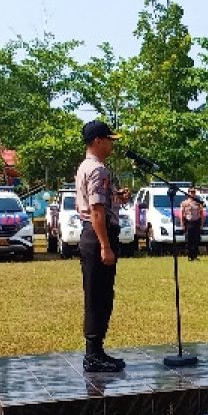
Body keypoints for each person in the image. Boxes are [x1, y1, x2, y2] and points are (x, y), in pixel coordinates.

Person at [75, 120, 126, 373]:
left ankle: (97, 351)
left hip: (93, 235)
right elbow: (96, 210)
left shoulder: (87, 166)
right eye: (109, 139)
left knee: (101, 294)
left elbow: (99, 202)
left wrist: (116, 197)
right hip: (98, 236)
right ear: (98, 141)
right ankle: (93, 354)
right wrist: (105, 246)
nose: (111, 144)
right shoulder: (97, 170)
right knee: (98, 296)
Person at [181, 186, 206, 261]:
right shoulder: (184, 203)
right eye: (191, 192)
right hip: (188, 222)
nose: (192, 193)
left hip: (196, 222)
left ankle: (195, 255)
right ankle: (189, 256)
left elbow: (201, 213)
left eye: (194, 192)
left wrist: (201, 223)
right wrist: (182, 223)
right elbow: (181, 213)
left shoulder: (198, 202)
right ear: (188, 193)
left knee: (196, 240)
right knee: (189, 240)